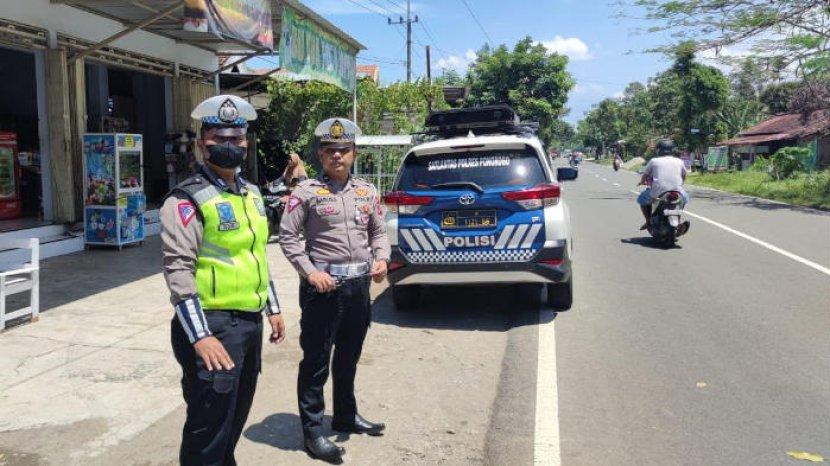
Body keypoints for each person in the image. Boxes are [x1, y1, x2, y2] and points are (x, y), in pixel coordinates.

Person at [161, 94, 287, 466]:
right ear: (202, 145)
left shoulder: (250, 193)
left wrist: (273, 307)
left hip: (248, 324)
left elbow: (254, 253)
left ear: (246, 143)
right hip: (213, 325)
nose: (229, 146)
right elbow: (179, 271)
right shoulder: (186, 199)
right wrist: (200, 336)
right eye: (219, 139)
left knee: (231, 420)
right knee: (207, 429)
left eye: (236, 139)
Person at [279, 118, 391, 464]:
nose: (337, 156)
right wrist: (310, 273)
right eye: (330, 151)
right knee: (316, 361)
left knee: (348, 356)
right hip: (323, 290)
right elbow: (288, 237)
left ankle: (346, 415)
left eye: (344, 150)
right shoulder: (306, 193)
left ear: (354, 153)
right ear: (320, 155)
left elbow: (379, 232)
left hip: (358, 287)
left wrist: (382, 259)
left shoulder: (367, 192)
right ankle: (313, 431)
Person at [637, 138, 689, 230]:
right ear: (672, 150)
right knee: (684, 199)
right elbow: (684, 175)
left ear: (658, 150)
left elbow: (645, 175)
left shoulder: (653, 161)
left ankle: (648, 221)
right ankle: (679, 220)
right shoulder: (679, 161)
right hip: (677, 192)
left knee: (642, 199)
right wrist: (681, 184)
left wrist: (641, 182)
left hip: (658, 193)